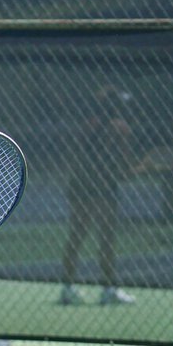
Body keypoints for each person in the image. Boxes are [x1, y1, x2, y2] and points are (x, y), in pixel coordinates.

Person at [60, 85, 137, 306]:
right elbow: (123, 168)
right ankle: (108, 289)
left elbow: (75, 156)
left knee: (76, 236)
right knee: (106, 239)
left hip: (79, 185)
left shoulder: (86, 126)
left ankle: (67, 288)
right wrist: (139, 169)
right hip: (103, 189)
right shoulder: (121, 128)